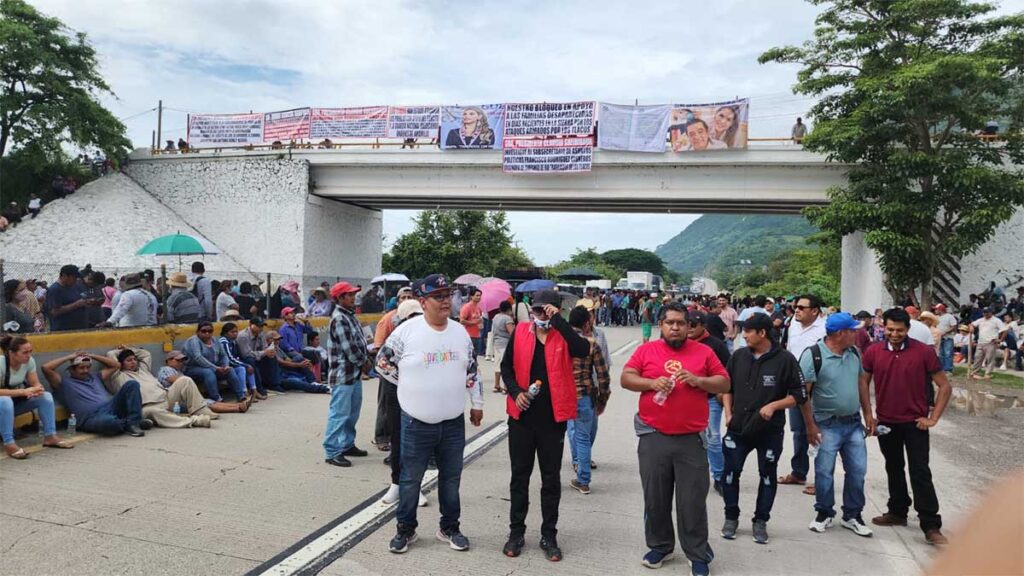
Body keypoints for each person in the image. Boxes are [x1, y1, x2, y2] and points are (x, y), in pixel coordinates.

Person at [376, 274, 484, 554]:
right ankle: (406, 530)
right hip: (415, 422)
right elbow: (382, 363)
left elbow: (471, 369)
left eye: (448, 295)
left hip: (452, 422)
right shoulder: (407, 331)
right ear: (423, 302)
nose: (446, 301)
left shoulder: (459, 332)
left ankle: (449, 527)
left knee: (451, 478)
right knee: (410, 479)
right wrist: (410, 386)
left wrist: (477, 403)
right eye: (439, 296)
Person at [621, 301, 729, 574]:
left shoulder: (703, 352)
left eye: (681, 323)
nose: (676, 327)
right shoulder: (647, 350)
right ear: (662, 325)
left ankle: (697, 553)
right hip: (654, 436)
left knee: (692, 499)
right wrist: (650, 383)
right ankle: (660, 546)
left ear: (688, 326)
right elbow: (626, 377)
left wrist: (699, 380)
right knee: (655, 497)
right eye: (670, 323)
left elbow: (725, 382)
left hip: (691, 439)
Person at [499, 289, 590, 561]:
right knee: (520, 477)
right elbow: (506, 368)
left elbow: (582, 349)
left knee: (550, 479)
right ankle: (516, 532)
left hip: (553, 420)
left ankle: (549, 534)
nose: (540, 315)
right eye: (537, 310)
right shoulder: (521, 332)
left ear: (557, 310)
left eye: (546, 310)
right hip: (522, 418)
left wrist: (558, 322)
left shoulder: (564, 335)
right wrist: (516, 392)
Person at [861, 307, 951, 546]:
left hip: (915, 424)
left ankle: (931, 524)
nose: (894, 334)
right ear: (883, 328)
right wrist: (869, 414)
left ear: (908, 329)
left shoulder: (924, 352)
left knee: (920, 471)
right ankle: (898, 511)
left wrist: (933, 418)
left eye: (899, 330)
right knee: (893, 467)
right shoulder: (873, 352)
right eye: (890, 329)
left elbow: (945, 386)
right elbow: (863, 382)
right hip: (886, 422)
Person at [720, 313, 807, 545]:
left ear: (762, 333)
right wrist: (728, 413)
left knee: (767, 476)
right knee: (730, 474)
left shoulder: (786, 360)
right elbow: (725, 386)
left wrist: (774, 405)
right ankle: (731, 517)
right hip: (738, 429)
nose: (744, 335)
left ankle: (761, 521)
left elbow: (799, 394)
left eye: (748, 331)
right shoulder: (738, 356)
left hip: (769, 431)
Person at [800, 313, 873, 537]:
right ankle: (824, 512)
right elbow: (804, 396)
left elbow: (861, 382)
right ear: (841, 334)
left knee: (858, 471)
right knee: (824, 472)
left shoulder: (853, 352)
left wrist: (868, 413)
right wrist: (810, 427)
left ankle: (852, 515)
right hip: (826, 424)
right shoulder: (813, 356)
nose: (857, 333)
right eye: (853, 330)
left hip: (852, 423)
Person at [778, 294, 826, 495]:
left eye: (801, 307)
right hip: (795, 386)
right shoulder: (792, 325)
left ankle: (822, 479)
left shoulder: (824, 329)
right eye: (795, 306)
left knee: (818, 432)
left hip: (816, 387)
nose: (796, 310)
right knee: (798, 431)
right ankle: (799, 472)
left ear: (814, 311)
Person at [105, 346, 218, 428]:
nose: (133, 362)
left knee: (185, 380)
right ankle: (194, 421)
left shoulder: (143, 369)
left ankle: (199, 410)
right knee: (154, 412)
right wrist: (119, 351)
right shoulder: (118, 376)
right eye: (129, 360)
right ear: (121, 363)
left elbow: (145, 354)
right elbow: (111, 355)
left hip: (167, 398)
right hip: (147, 407)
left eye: (134, 359)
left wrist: (128, 348)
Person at [42, 352, 149, 436]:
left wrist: (91, 355)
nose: (86, 370)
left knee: (132, 384)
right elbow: (46, 368)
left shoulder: (95, 376)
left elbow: (116, 365)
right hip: (91, 418)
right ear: (71, 370)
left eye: (88, 367)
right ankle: (130, 422)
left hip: (110, 407)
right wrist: (70, 356)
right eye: (81, 368)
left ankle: (133, 423)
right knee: (111, 423)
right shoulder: (63, 383)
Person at [1, 336, 74, 459]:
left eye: (30, 351)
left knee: (45, 397)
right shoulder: (1, 363)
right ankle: (9, 443)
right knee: (5, 401)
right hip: (4, 403)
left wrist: (37, 389)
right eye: (25, 352)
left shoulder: (29, 362)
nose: (29, 355)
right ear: (11, 353)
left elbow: (35, 382)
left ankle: (50, 436)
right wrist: (23, 392)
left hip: (15, 403)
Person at [564, 306, 610, 496]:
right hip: (584, 395)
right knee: (584, 436)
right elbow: (603, 376)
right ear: (586, 324)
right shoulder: (591, 344)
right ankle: (583, 480)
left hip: (562, 396)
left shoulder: (560, 343)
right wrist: (602, 399)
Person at [323, 281, 370, 468]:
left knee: (352, 413)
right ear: (340, 298)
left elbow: (358, 342)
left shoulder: (349, 316)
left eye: (353, 294)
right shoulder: (340, 318)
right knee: (339, 414)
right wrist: (364, 361)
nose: (353, 297)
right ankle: (332, 451)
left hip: (353, 374)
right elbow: (350, 349)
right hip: (343, 374)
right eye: (349, 295)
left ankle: (347, 444)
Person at [687, 310, 731, 495]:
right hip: (685, 398)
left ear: (703, 326)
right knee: (687, 439)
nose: (688, 328)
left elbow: (727, 372)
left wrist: (724, 394)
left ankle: (720, 476)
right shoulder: (680, 343)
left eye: (693, 325)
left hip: (710, 398)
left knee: (712, 437)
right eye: (686, 323)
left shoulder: (716, 345)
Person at [371, 286, 414, 450]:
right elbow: (378, 346)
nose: (407, 300)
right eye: (403, 297)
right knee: (386, 404)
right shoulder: (389, 319)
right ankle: (381, 437)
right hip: (389, 370)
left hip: (409, 371)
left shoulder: (417, 320)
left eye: (410, 297)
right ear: (397, 301)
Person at [182, 322, 250, 406]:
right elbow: (198, 357)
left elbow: (223, 355)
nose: (207, 333)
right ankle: (217, 399)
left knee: (230, 370)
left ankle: (241, 396)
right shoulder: (194, 341)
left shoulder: (215, 340)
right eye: (204, 331)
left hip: (213, 367)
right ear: (198, 332)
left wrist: (225, 366)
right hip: (192, 368)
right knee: (208, 372)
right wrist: (215, 368)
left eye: (210, 331)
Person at [45, 264, 95, 332]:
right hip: (63, 330)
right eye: (73, 278)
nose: (75, 280)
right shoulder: (55, 290)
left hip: (80, 329)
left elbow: (79, 299)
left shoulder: (74, 286)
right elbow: (55, 311)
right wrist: (76, 304)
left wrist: (86, 302)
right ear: (64, 275)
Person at [219, 323, 259, 401]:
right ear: (225, 333)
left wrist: (246, 364)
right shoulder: (224, 341)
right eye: (232, 332)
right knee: (242, 368)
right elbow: (229, 358)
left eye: (236, 332)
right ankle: (244, 392)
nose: (235, 334)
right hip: (223, 365)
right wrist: (245, 365)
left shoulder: (233, 341)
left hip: (232, 364)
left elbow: (236, 356)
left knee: (249, 364)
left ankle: (254, 391)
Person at [236, 317, 276, 393]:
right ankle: (258, 388)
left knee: (271, 357)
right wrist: (264, 352)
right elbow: (246, 354)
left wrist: (269, 352)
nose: (260, 328)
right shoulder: (243, 336)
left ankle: (273, 383)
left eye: (261, 326)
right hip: (242, 359)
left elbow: (265, 348)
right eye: (258, 326)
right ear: (250, 325)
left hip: (257, 356)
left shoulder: (261, 334)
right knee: (251, 360)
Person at [491, 301, 515, 393]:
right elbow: (512, 332)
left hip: (496, 343)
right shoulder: (507, 319)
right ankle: (505, 386)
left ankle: (496, 385)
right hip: (505, 344)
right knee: (506, 366)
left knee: (497, 365)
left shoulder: (496, 317)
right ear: (509, 309)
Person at [933, 304, 958, 373]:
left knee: (948, 353)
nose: (935, 310)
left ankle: (948, 369)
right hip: (939, 337)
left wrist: (945, 332)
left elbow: (954, 326)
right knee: (940, 353)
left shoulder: (949, 317)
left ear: (940, 310)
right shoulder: (936, 317)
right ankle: (941, 369)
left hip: (948, 338)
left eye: (936, 309)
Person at [459, 288, 484, 358]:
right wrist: (473, 322)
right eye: (477, 295)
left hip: (477, 334)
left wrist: (480, 321)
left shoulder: (478, 307)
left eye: (480, 295)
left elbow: (479, 319)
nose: (479, 297)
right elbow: (462, 321)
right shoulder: (467, 307)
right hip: (469, 335)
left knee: (475, 356)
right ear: (471, 297)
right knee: (469, 356)